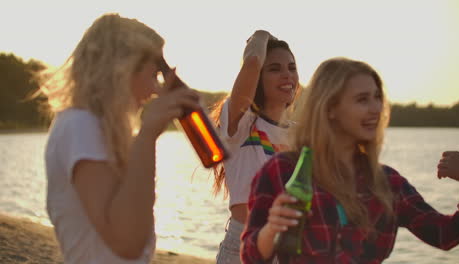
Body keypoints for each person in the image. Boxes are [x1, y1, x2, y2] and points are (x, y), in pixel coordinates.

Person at [241, 57, 459, 263]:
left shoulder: (388, 182)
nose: (375, 109)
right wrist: (272, 229)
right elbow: (251, 256)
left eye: (377, 98)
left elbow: (444, 235)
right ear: (330, 108)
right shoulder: (283, 170)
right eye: (362, 100)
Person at [42, 13, 200, 263]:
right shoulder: (79, 125)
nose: (155, 90)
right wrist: (147, 135)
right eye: (152, 75)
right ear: (122, 70)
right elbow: (126, 242)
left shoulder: (96, 129)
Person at [211, 30, 300, 263]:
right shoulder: (241, 125)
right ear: (258, 78)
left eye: (291, 67)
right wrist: (261, 36)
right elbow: (251, 63)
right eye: (274, 69)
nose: (286, 75)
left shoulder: (302, 136)